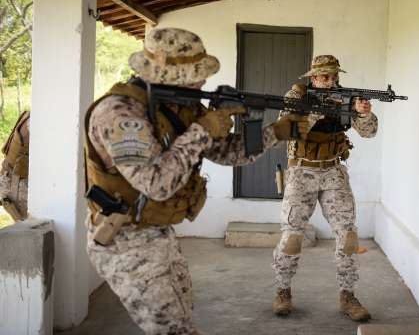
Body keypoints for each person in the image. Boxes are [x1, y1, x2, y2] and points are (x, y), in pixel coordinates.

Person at [84, 27, 308, 335]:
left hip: (158, 233)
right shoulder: (120, 114)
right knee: (174, 330)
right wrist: (202, 129)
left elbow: (228, 153)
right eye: (195, 72)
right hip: (125, 240)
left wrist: (277, 131)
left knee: (183, 315)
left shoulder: (180, 107)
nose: (203, 80)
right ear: (167, 74)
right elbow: (156, 184)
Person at [272, 55, 378, 321]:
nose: (330, 82)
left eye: (334, 76)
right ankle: (283, 291)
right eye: (324, 77)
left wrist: (364, 114)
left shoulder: (345, 98)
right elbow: (285, 128)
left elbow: (369, 132)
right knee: (292, 237)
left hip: (332, 170)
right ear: (313, 77)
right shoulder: (296, 96)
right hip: (301, 171)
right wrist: (319, 109)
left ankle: (347, 296)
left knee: (348, 236)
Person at [0, 110, 30, 222]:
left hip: (10, 182)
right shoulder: (35, 123)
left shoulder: (28, 116)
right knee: (28, 229)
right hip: (15, 187)